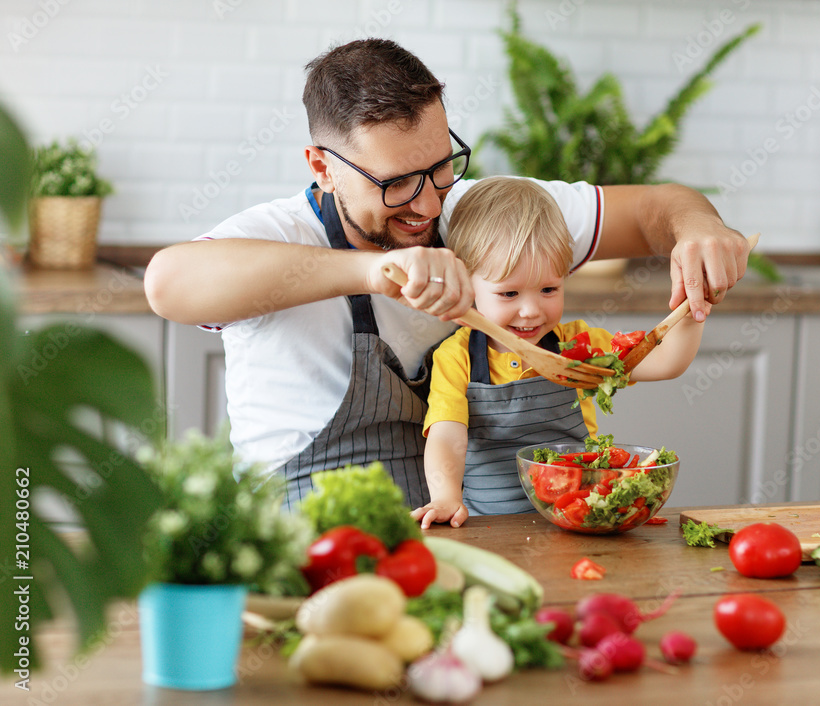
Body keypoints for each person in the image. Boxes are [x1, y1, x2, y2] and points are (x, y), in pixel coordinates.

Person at [143, 38, 753, 511]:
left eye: (441, 167)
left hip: (457, 527)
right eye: (395, 184)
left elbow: (657, 208)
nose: (430, 205)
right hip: (305, 533)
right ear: (322, 168)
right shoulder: (276, 234)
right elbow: (168, 284)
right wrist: (373, 270)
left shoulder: (488, 213)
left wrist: (698, 228)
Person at [410, 177, 704, 528]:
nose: (532, 310)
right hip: (489, 527)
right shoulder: (456, 357)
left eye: (549, 288)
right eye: (509, 294)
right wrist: (445, 498)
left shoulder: (579, 344)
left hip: (579, 518)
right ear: (467, 284)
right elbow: (447, 435)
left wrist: (694, 307)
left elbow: (666, 362)